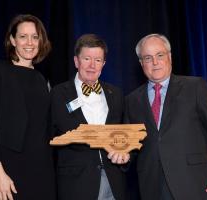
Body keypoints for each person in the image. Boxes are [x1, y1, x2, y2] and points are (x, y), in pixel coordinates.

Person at [124, 33, 207, 200]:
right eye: (148, 58)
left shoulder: (195, 87)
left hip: (195, 183)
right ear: (141, 63)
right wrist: (122, 154)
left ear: (169, 57)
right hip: (152, 188)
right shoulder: (131, 100)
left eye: (160, 55)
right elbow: (132, 147)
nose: (155, 63)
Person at [0, 14, 56, 200]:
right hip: (7, 171)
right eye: (23, 36)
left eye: (35, 37)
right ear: (12, 40)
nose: (29, 42)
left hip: (41, 172)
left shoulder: (41, 79)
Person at [50, 34, 129, 200]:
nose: (92, 65)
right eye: (87, 58)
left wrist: (125, 153)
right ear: (76, 61)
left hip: (114, 182)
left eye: (98, 60)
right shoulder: (58, 94)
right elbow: (50, 136)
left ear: (104, 64)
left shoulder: (116, 94)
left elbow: (125, 134)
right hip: (75, 184)